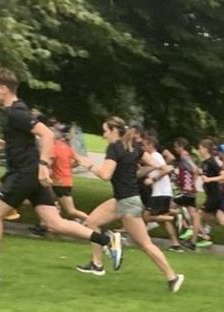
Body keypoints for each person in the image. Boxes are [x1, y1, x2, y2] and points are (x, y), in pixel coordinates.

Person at [0, 66, 120, 285]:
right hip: (31, 173)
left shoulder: (16, 112)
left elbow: (46, 134)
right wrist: (5, 146)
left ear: (3, 88)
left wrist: (44, 165)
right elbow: (26, 142)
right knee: (55, 223)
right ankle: (107, 240)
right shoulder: (16, 111)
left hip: (25, 173)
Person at [74, 116, 184, 293]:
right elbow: (159, 166)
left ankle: (173, 277)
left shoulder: (115, 148)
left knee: (145, 244)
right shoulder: (136, 148)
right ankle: (97, 264)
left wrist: (87, 164)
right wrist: (134, 173)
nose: (103, 135)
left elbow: (105, 175)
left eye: (105, 131)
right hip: (122, 199)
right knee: (91, 222)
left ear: (114, 131)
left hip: (128, 202)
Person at [50, 124, 90, 222]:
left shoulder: (55, 147)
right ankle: (46, 226)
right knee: (49, 204)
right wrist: (69, 167)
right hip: (66, 181)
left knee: (71, 211)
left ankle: (92, 222)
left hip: (58, 182)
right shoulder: (68, 148)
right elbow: (78, 161)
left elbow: (50, 163)